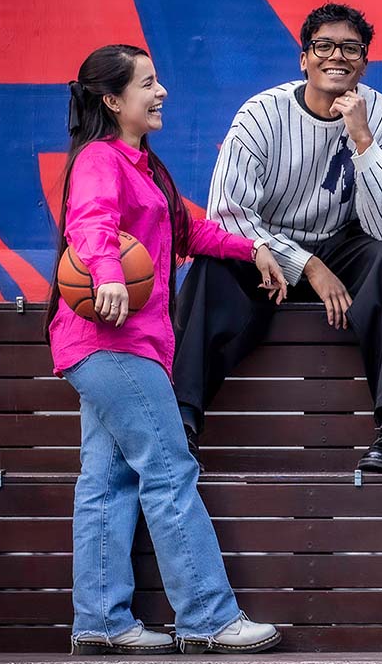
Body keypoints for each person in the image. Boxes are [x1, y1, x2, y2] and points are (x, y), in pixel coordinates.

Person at [46, 44, 284, 655]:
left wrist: (253, 250)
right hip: (112, 341)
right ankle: (207, 616)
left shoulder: (142, 165)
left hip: (110, 346)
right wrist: (105, 274)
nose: (161, 93)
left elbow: (189, 229)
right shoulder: (101, 159)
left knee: (105, 479)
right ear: (112, 99)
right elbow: (90, 224)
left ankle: (99, 622)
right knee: (169, 469)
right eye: (148, 84)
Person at [172, 3, 382, 473]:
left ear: (365, 61)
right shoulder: (261, 113)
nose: (338, 57)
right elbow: (226, 216)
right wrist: (307, 267)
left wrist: (363, 142)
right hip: (267, 249)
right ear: (304, 58)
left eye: (351, 48)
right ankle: (183, 427)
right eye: (324, 46)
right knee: (211, 266)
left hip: (344, 242)